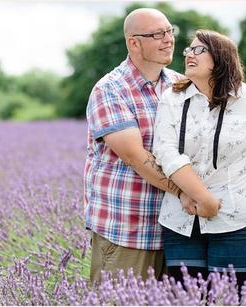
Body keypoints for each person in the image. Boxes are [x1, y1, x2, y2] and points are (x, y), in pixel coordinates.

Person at [153, 29, 246, 304]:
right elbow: (165, 151)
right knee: (186, 301)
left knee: (236, 300)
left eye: (199, 50)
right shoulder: (172, 99)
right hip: (183, 219)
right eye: (188, 50)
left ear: (221, 58)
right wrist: (204, 198)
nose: (188, 54)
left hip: (243, 219)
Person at [84, 8, 186, 284]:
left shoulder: (181, 85)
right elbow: (136, 157)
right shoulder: (111, 89)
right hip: (128, 228)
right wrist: (190, 193)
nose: (168, 39)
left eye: (169, 31)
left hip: (177, 230)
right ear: (134, 42)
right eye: (157, 34)